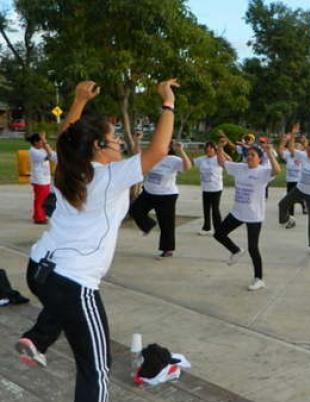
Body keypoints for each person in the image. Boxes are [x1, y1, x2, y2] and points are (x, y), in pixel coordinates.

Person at [15, 79, 178, 401]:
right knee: (96, 368)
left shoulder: (68, 168)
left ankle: (38, 337)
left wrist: (78, 100)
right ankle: (39, 336)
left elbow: (65, 137)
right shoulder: (109, 177)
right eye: (114, 139)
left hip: (39, 269)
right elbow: (159, 150)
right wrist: (168, 103)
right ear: (97, 148)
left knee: (68, 315)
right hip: (73, 280)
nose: (120, 143)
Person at [213, 140, 280, 291]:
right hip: (237, 212)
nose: (249, 157)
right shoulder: (240, 168)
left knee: (253, 248)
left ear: (259, 158)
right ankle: (235, 250)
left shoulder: (263, 171)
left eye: (253, 155)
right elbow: (222, 163)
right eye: (248, 154)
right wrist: (219, 148)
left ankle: (259, 278)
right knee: (218, 234)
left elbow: (277, 171)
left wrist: (269, 152)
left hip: (254, 215)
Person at [129, 140, 192, 259]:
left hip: (166, 196)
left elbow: (187, 167)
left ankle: (167, 250)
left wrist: (181, 151)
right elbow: (137, 155)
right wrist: (137, 140)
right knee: (135, 210)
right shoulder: (151, 157)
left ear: (168, 149)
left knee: (166, 224)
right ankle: (148, 225)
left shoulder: (173, 160)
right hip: (148, 192)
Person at [194, 141, 231, 236]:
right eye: (206, 149)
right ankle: (206, 227)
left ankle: (219, 229)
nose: (208, 151)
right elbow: (191, 162)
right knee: (206, 209)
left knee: (215, 209)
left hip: (216, 188)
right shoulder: (202, 159)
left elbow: (229, 160)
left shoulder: (218, 159)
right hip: (205, 188)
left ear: (214, 150)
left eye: (210, 149)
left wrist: (220, 150)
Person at [27, 132, 57, 224]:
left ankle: (42, 215)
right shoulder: (33, 151)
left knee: (44, 199)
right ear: (35, 143)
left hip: (45, 179)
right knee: (40, 200)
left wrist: (45, 143)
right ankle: (38, 218)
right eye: (41, 142)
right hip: (39, 179)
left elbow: (51, 152)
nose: (42, 144)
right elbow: (49, 156)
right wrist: (45, 143)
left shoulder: (40, 149)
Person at [277, 128, 307, 216]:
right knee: (290, 198)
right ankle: (291, 216)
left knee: (298, 196)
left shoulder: (303, 156)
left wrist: (302, 139)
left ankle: (303, 206)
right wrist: (284, 140)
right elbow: (280, 150)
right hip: (290, 180)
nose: (296, 147)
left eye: (298, 146)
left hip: (300, 181)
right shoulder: (288, 155)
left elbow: (306, 146)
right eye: (295, 146)